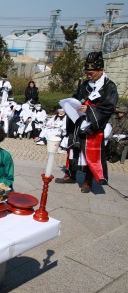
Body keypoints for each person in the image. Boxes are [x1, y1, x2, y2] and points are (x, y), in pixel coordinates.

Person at [56, 52, 118, 193]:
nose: (89, 75)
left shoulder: (109, 87)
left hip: (93, 125)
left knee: (89, 154)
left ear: (101, 70)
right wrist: (70, 104)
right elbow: (77, 98)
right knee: (73, 149)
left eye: (91, 73)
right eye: (87, 73)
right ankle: (70, 174)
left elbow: (109, 107)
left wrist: (90, 109)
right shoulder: (85, 84)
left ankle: (88, 181)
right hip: (78, 122)